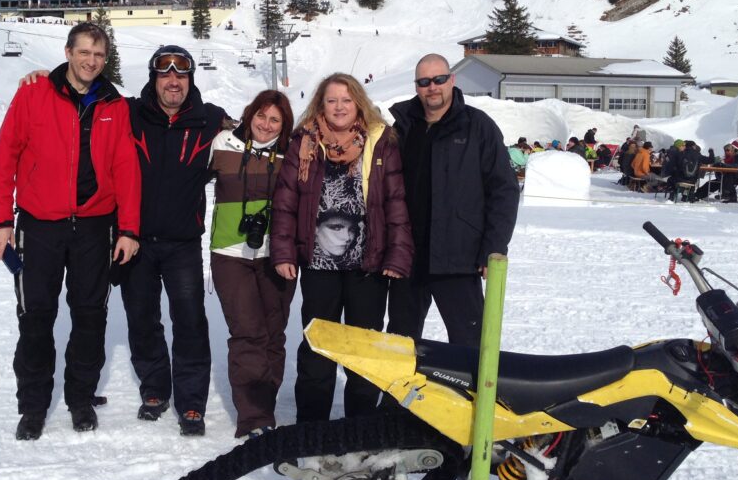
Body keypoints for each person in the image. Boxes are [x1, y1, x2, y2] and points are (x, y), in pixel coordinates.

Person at [0, 23, 141, 441]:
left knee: (90, 317)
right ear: (68, 51)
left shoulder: (115, 103)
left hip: (95, 227)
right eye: (85, 52)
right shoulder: (34, 92)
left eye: (99, 54)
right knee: (36, 318)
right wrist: (1, 220)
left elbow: (126, 169)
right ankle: (33, 406)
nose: (92, 61)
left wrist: (128, 228)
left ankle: (80, 398)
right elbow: (5, 158)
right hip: (39, 226)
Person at [270, 73, 413, 423]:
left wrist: (397, 253)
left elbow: (395, 201)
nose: (338, 107)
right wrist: (284, 251)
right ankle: (312, 428)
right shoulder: (304, 142)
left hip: (369, 264)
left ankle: (358, 427)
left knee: (364, 349)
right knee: (318, 347)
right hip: (319, 265)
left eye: (346, 100)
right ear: (321, 104)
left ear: (358, 103)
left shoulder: (380, 141)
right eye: (331, 100)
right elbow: (286, 200)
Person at [120, 45, 228, 436]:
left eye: (180, 75)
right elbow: (83, 96)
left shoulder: (210, 120)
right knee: (142, 318)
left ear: (190, 79)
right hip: (134, 240)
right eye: (165, 74)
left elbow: (261, 132)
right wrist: (42, 79)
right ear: (153, 78)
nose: (172, 81)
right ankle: (154, 388)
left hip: (183, 242)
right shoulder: (130, 114)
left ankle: (191, 400)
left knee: (190, 321)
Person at [384, 54, 519, 348]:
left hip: (459, 258)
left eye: (439, 79)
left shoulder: (478, 126)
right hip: (410, 257)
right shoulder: (403, 127)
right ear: (416, 86)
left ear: (452, 80)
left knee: (470, 344)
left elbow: (504, 190)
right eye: (424, 82)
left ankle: (471, 395)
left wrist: (494, 246)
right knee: (400, 344)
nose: (432, 87)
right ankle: (396, 397)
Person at [209, 90, 295, 438]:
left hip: (277, 255)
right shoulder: (222, 142)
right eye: (261, 116)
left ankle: (265, 405)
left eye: (274, 119)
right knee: (247, 333)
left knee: (274, 335)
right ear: (249, 114)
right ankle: (254, 419)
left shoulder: (293, 153)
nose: (265, 124)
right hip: (230, 254)